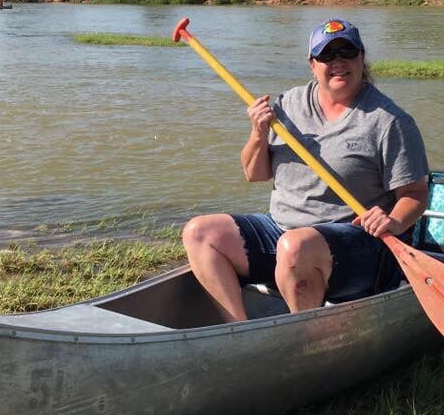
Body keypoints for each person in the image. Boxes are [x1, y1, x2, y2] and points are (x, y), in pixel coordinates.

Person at [182, 18, 430, 322]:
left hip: (356, 243)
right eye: (327, 55)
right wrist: (258, 133)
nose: (337, 63)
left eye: (346, 52)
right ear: (312, 64)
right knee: (199, 233)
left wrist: (392, 219)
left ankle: (308, 342)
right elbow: (254, 174)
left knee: (295, 247)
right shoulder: (289, 104)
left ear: (362, 58)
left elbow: (415, 194)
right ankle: (239, 331)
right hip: (282, 229)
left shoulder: (389, 121)